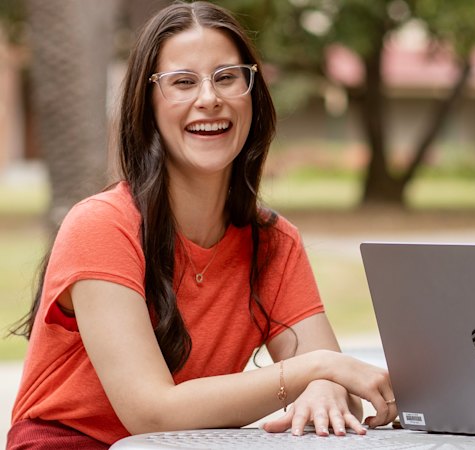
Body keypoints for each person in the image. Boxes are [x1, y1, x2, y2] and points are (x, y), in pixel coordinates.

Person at [6, 2, 397, 448]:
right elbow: (151, 412)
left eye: (227, 77)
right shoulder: (101, 226)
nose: (209, 98)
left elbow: (336, 386)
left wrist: (327, 384)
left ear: (253, 95)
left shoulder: (274, 242)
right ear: (147, 105)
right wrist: (315, 370)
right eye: (183, 82)